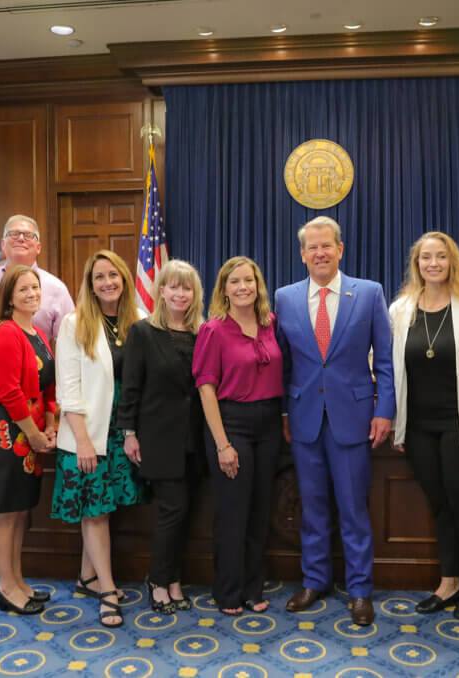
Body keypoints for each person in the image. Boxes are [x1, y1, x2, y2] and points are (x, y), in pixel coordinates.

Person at [274, 216, 396, 627]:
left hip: (354, 418)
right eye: (312, 247)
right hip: (305, 420)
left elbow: (385, 359)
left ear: (340, 249)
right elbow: (284, 364)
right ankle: (314, 580)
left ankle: (360, 590)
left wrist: (385, 409)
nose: (320, 253)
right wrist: (285, 413)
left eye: (327, 245)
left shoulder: (369, 293)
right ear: (302, 254)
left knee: (353, 508)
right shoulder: (285, 298)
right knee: (312, 507)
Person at [0, 214, 74, 565]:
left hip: (32, 398)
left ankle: (12, 567)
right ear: (2, 245)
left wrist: (50, 419)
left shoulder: (55, 290)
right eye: (14, 234)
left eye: (29, 235)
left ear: (39, 246)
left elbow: (65, 348)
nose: (22, 239)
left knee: (13, 501)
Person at [389, 232, 459, 620]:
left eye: (441, 257)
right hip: (418, 425)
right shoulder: (400, 310)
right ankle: (448, 581)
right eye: (425, 258)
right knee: (439, 504)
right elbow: (391, 368)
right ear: (416, 264)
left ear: (453, 262)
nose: (433, 264)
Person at [51, 250, 147, 628]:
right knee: (94, 511)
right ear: (89, 285)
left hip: (122, 430)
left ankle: (87, 576)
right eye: (98, 277)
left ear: (124, 279)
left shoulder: (137, 321)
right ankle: (106, 590)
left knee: (105, 508)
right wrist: (83, 441)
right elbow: (68, 389)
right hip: (87, 433)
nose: (107, 282)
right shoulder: (76, 324)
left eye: (113, 275)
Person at [194, 256, 284, 615]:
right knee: (233, 512)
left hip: (269, 424)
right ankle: (228, 591)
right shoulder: (213, 330)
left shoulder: (270, 323)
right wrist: (222, 444)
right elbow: (205, 388)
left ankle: (252, 587)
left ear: (258, 285)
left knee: (261, 511)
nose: (243, 287)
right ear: (224, 289)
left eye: (249, 280)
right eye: (235, 282)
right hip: (232, 424)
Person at [119, 259, 205, 615]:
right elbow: (131, 387)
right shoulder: (143, 332)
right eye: (173, 286)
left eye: (186, 287)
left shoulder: (205, 333)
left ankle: (172, 580)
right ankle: (158, 580)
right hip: (158, 437)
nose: (180, 293)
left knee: (186, 513)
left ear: (195, 293)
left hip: (196, 440)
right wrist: (129, 433)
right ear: (161, 291)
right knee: (172, 509)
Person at [0, 265, 57, 615]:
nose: (31, 294)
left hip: (32, 432)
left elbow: (48, 385)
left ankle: (19, 580)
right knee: (6, 514)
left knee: (21, 511)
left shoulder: (36, 331)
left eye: (35, 288)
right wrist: (35, 433)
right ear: (8, 295)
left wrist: (50, 422)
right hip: (8, 432)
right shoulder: (5, 332)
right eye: (23, 289)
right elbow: (10, 391)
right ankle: (5, 586)